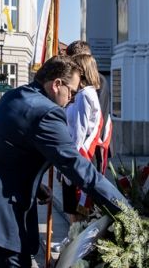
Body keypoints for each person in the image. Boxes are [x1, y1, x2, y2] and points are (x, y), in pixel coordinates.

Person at [0, 55, 127, 267]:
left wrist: (36, 185)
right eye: (71, 92)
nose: (71, 99)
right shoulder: (47, 113)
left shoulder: (15, 95)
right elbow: (78, 167)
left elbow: (7, 149)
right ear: (56, 84)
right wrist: (125, 209)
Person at [63, 53, 104, 218]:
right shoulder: (87, 93)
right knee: (77, 209)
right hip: (81, 154)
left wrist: (70, 161)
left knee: (77, 209)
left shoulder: (84, 95)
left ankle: (74, 240)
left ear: (82, 72)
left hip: (79, 154)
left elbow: (80, 131)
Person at [66, 40, 113, 173]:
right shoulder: (79, 84)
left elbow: (95, 123)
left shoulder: (97, 83)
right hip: (79, 144)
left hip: (91, 148)